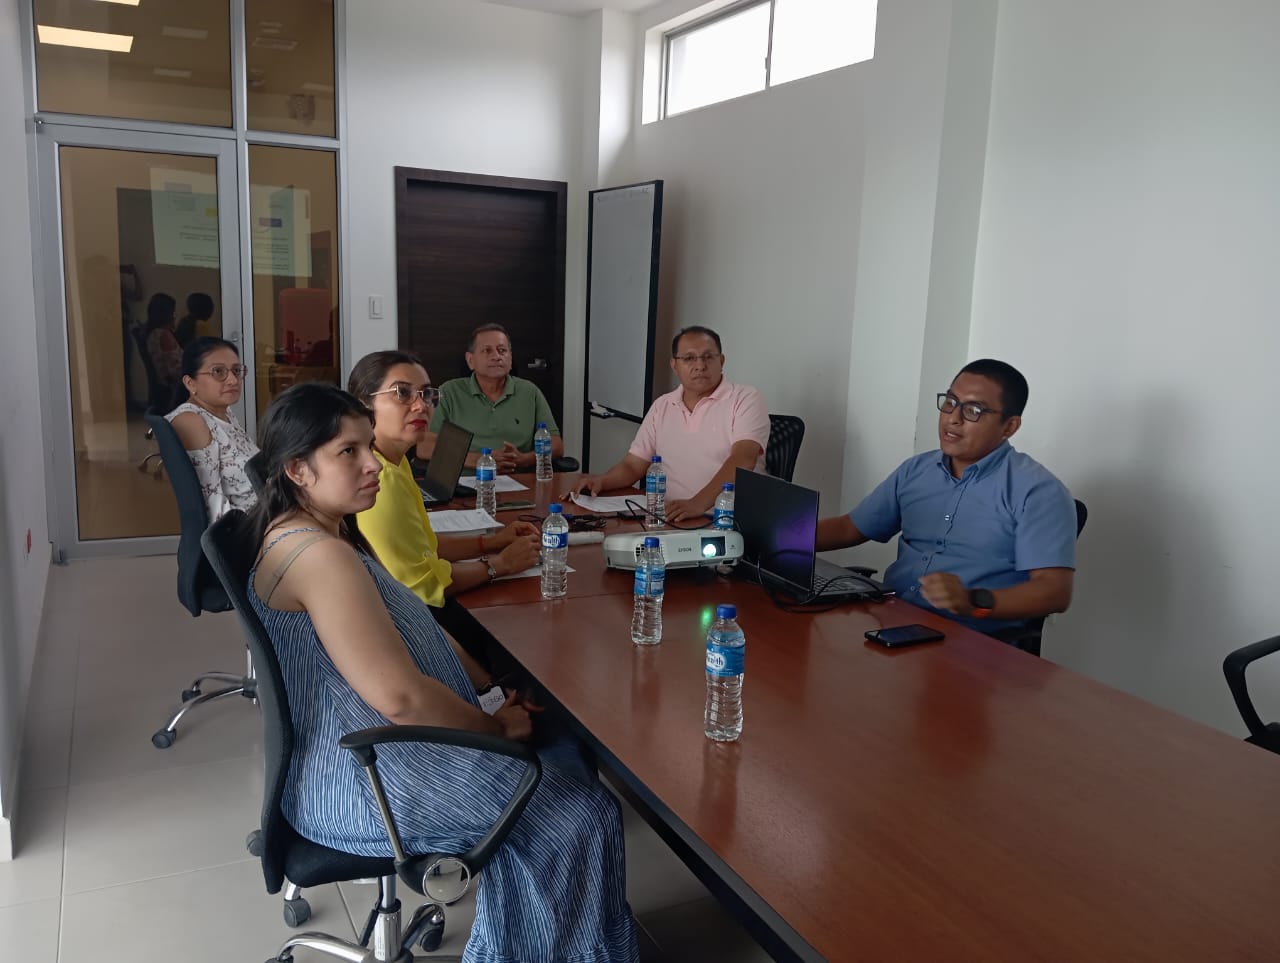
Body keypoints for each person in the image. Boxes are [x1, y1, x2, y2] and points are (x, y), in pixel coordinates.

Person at [246, 382, 639, 963]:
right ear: (297, 470)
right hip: (366, 782)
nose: (370, 464)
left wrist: (487, 691)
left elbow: (411, 631)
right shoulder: (319, 556)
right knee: (580, 816)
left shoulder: (318, 530)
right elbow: (402, 699)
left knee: (568, 777)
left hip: (365, 754)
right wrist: (496, 730)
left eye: (367, 446)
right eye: (347, 452)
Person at [816, 359, 1077, 635]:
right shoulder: (917, 470)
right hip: (892, 617)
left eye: (973, 410)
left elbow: (1054, 591)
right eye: (950, 402)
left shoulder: (1037, 491)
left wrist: (974, 600)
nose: (953, 418)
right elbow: (851, 527)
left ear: (1009, 427)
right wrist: (787, 537)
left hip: (971, 639)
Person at [348, 350, 540, 606]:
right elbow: (423, 587)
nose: (421, 406)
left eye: (426, 394)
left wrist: (494, 541)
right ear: (364, 404)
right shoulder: (380, 478)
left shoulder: (394, 459)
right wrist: (501, 564)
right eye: (402, 393)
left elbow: (425, 547)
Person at [570, 326, 770, 522]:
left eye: (709, 357)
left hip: (726, 520)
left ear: (722, 361)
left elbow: (743, 459)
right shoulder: (663, 405)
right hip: (671, 516)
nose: (700, 365)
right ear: (674, 365)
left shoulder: (745, 398)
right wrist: (601, 481)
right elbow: (633, 465)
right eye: (689, 358)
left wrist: (697, 504)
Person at [417, 324, 564, 473]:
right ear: (470, 360)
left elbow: (556, 445)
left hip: (519, 479)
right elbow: (424, 448)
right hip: (466, 481)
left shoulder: (530, 392)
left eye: (502, 350)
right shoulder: (447, 391)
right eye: (487, 351)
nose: (496, 357)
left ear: (510, 358)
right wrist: (481, 460)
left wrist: (525, 459)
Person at [167, 337, 258, 521]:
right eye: (218, 371)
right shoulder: (192, 421)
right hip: (252, 526)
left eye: (236, 370)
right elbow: (213, 507)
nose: (233, 380)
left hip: (271, 509)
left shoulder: (224, 413)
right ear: (190, 383)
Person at [144, 292, 182, 393]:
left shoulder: (152, 333)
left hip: (164, 386)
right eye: (173, 312)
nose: (175, 316)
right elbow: (175, 371)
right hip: (174, 388)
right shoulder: (164, 335)